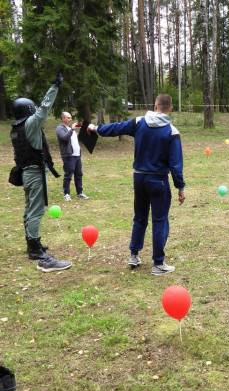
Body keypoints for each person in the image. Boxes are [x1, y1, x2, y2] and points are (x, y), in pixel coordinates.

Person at [87, 94, 185, 276]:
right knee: (160, 220)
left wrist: (97, 128)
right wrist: (180, 187)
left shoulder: (140, 122)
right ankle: (158, 264)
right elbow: (176, 164)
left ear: (155, 105)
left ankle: (134, 255)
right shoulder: (172, 132)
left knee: (139, 217)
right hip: (158, 181)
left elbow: (117, 128)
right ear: (170, 108)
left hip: (139, 179)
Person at [9, 73, 72, 272]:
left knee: (29, 209)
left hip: (26, 173)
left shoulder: (15, 128)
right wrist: (55, 86)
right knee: (36, 210)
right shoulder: (30, 123)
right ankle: (35, 249)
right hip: (34, 174)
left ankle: (31, 243)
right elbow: (44, 108)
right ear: (28, 110)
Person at [56, 112, 90, 201]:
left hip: (77, 155)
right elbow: (64, 138)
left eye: (70, 117)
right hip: (68, 156)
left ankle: (80, 193)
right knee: (68, 175)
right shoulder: (60, 128)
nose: (70, 119)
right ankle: (66, 194)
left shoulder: (71, 129)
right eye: (68, 117)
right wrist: (72, 129)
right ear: (63, 118)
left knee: (79, 174)